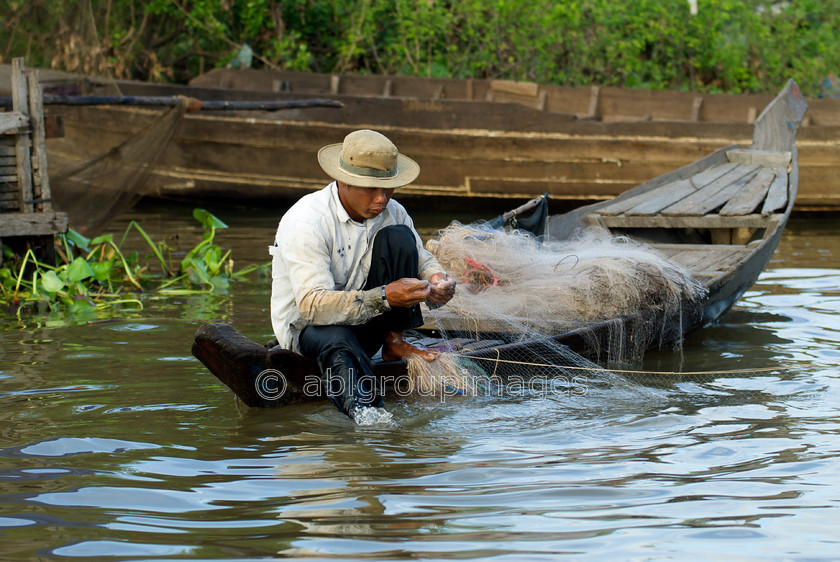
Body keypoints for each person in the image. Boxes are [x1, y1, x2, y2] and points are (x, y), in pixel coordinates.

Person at [269, 129, 456, 419]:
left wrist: (437, 278)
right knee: (338, 339)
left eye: (388, 188)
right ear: (343, 182)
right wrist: (384, 296)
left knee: (400, 238)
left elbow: (422, 259)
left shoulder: (393, 212)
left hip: (369, 323)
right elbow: (311, 307)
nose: (382, 199)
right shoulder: (307, 221)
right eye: (370, 189)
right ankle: (367, 419)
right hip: (311, 329)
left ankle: (394, 342)